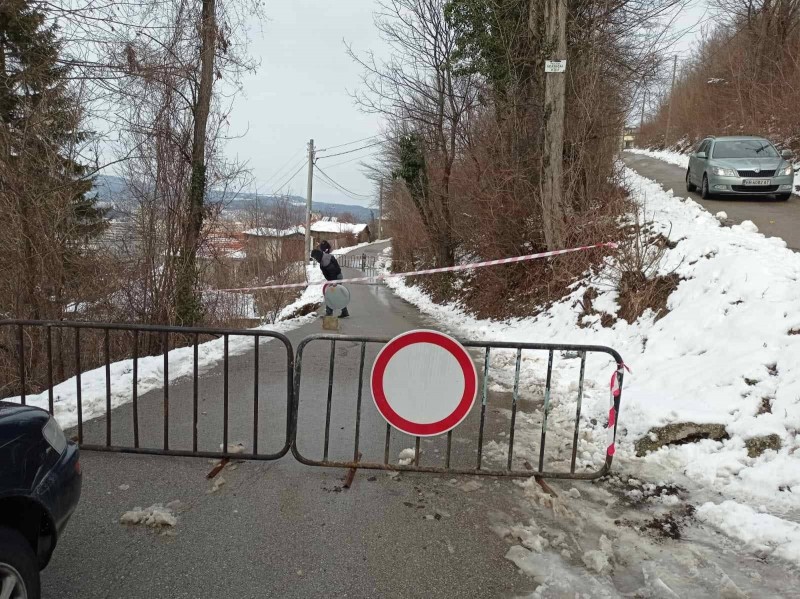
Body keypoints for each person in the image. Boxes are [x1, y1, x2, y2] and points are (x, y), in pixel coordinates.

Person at [311, 241, 350, 318]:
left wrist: (333, 283)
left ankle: (329, 313)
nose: (315, 259)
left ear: (317, 256)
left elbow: (332, 271)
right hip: (335, 278)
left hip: (336, 278)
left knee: (330, 295)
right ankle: (344, 312)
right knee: (337, 295)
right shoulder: (323, 257)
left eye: (315, 258)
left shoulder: (325, 260)